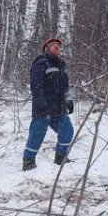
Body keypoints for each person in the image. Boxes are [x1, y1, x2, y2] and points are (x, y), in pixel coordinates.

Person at [23, 37, 74, 170]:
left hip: (59, 108)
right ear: (47, 49)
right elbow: (36, 86)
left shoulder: (61, 66)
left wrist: (68, 100)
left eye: (58, 45)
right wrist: (40, 102)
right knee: (37, 134)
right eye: (53, 45)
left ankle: (60, 157)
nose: (56, 47)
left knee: (67, 131)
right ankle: (28, 161)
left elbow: (65, 87)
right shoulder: (40, 63)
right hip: (43, 108)